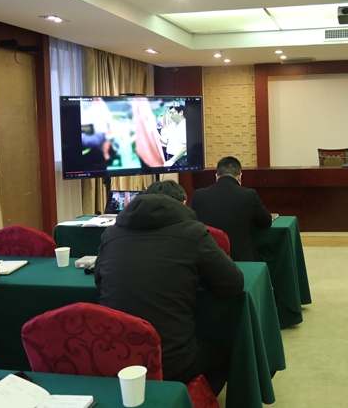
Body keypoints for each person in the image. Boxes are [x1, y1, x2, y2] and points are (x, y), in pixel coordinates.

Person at [94, 192, 243, 395]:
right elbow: (233, 284)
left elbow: (99, 282)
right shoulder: (194, 232)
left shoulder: (111, 234)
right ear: (182, 205)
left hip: (113, 356)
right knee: (225, 355)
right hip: (171, 361)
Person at [191, 156, 273, 261]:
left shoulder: (199, 195)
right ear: (240, 176)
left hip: (208, 260)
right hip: (242, 261)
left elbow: (193, 222)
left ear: (216, 176)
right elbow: (266, 222)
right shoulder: (248, 195)